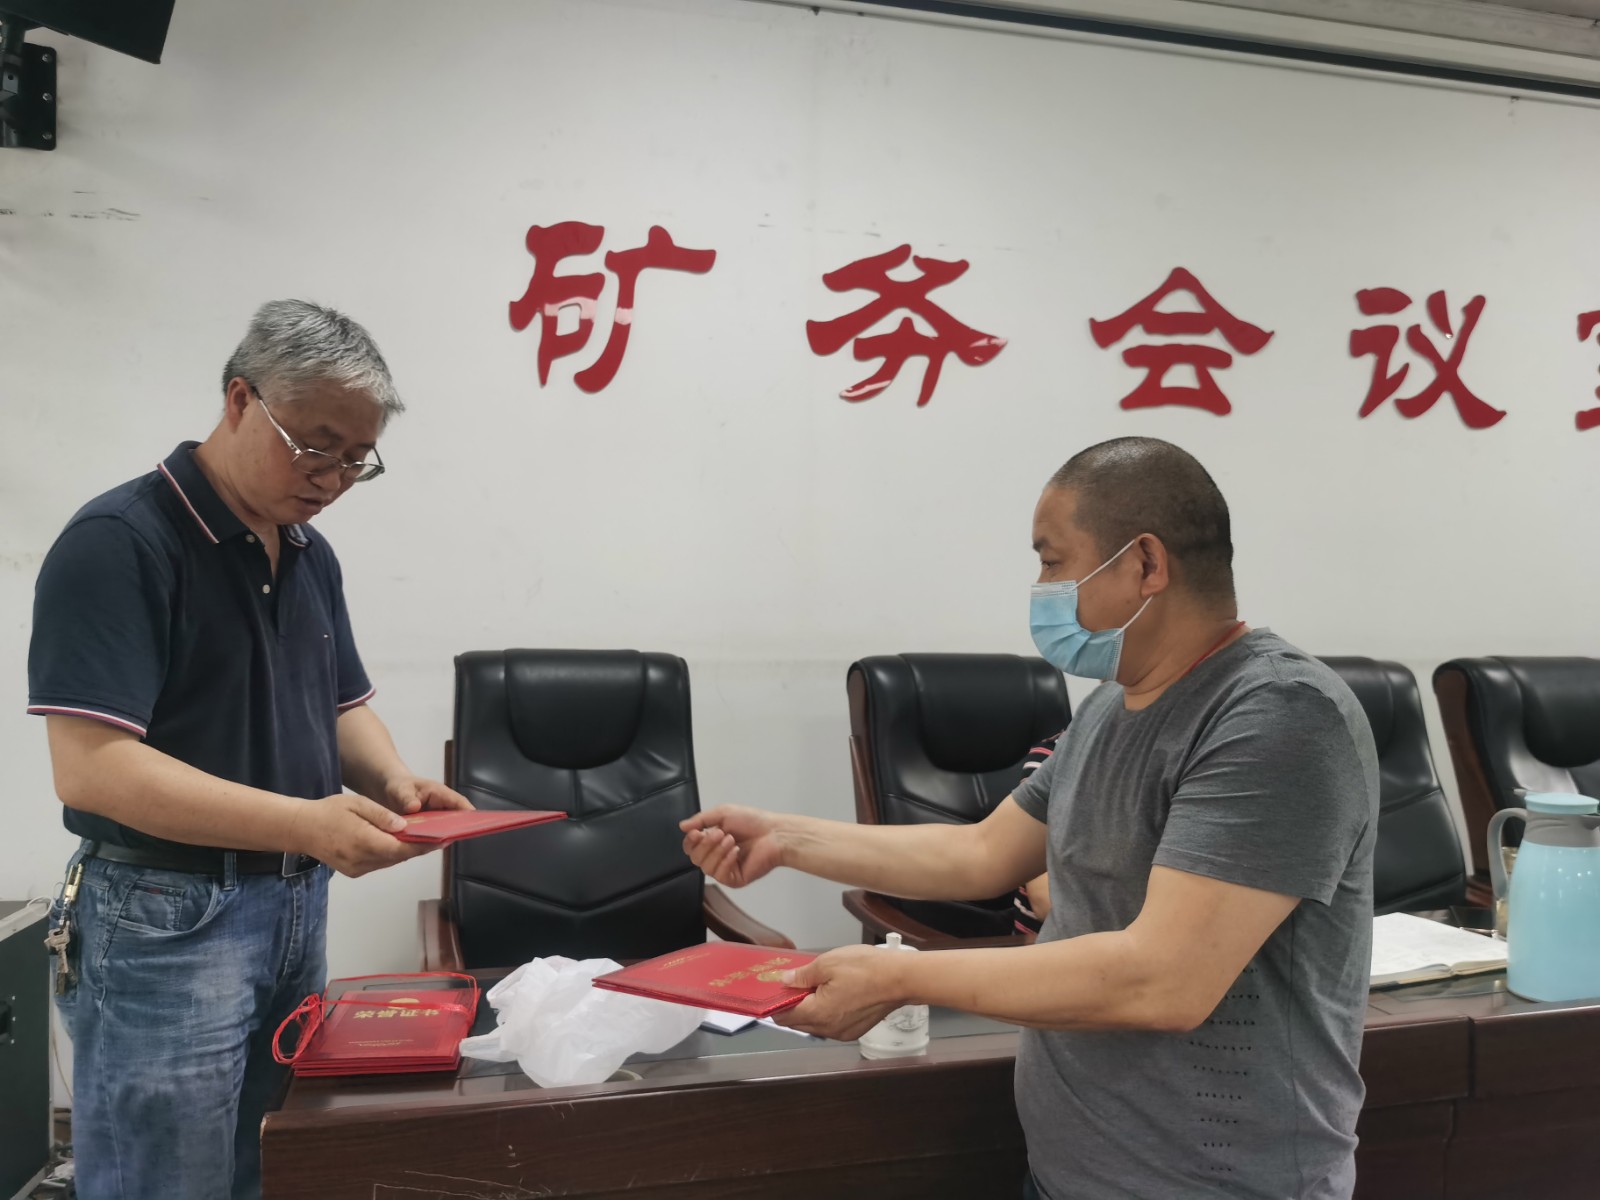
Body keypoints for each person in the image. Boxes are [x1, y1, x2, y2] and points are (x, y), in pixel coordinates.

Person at [683, 437, 1378, 1200]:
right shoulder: (1112, 706)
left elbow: (1164, 979)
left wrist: (903, 976)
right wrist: (785, 838)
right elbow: (982, 853)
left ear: (1146, 563)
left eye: (1053, 561)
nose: (1042, 589)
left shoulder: (1277, 714)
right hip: (1073, 1170)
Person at [27, 300, 473, 1200]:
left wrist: (394, 781)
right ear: (240, 400)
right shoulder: (121, 543)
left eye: (357, 459)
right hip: (167, 918)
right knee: (164, 1179)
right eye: (316, 447)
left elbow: (339, 705)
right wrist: (305, 824)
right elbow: (93, 767)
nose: (333, 478)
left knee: (265, 1165)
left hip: (292, 907)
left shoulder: (308, 551)